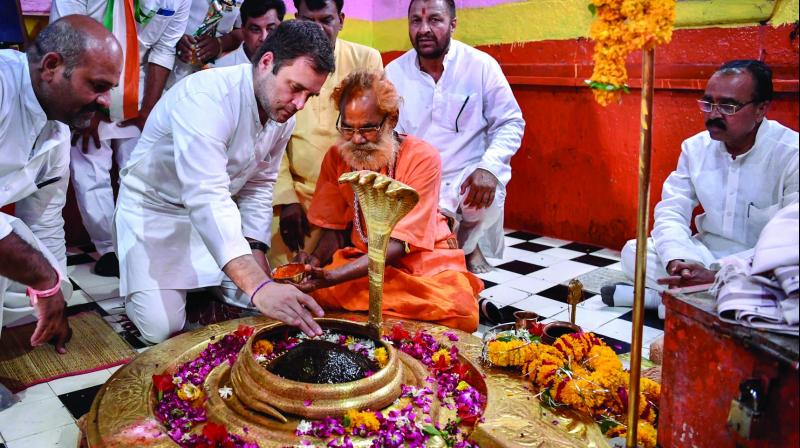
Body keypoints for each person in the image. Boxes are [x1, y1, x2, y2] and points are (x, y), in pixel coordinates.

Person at [114, 20, 334, 343]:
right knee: (161, 329)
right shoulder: (206, 98)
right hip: (155, 215)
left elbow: (259, 187)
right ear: (266, 62)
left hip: (213, 217)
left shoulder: (282, 113)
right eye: (295, 87)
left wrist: (257, 256)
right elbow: (207, 198)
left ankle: (204, 285)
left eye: (310, 96)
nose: (300, 104)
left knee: (261, 304)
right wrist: (258, 285)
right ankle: (149, 283)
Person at [603, 60, 799, 316]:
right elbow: (671, 211)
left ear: (761, 109)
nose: (714, 114)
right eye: (708, 103)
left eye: (728, 106)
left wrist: (719, 272)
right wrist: (679, 261)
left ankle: (662, 299)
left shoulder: (792, 153)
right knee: (635, 252)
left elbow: (791, 241)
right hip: (702, 255)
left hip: (759, 264)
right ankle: (702, 297)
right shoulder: (695, 149)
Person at [295, 70, 482, 332]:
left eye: (368, 128)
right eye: (347, 127)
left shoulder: (423, 157)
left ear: (391, 120)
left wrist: (334, 277)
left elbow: (400, 245)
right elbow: (334, 230)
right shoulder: (337, 156)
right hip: (361, 259)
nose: (357, 139)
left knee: (461, 314)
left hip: (422, 261)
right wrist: (313, 262)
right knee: (310, 299)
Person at [0, 16, 122, 353]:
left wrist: (56, 292)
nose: (106, 101)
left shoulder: (58, 126)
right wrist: (44, 280)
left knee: (42, 283)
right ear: (52, 66)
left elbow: (44, 219)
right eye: (98, 86)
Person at [50, 0, 191, 277]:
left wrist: (148, 110)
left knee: (140, 170)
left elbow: (163, 49)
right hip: (84, 78)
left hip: (140, 84)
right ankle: (109, 249)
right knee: (89, 164)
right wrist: (85, 106)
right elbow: (63, 41)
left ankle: (137, 243)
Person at [384, 0, 525, 274]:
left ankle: (468, 247)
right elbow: (384, 134)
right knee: (424, 265)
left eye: (435, 20)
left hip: (467, 176)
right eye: (416, 21)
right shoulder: (393, 73)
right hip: (416, 178)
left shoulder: (481, 66)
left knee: (480, 195)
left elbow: (510, 122)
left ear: (453, 24)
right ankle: (453, 252)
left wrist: (489, 168)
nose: (424, 29)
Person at [268, 0, 383, 268]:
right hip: (295, 193)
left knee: (338, 276)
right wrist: (286, 199)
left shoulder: (365, 60)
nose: (318, 31)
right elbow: (271, 138)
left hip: (348, 190)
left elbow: (375, 133)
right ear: (296, 20)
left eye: (326, 20)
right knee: (282, 271)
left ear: (341, 20)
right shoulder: (284, 65)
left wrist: (345, 202)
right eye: (309, 21)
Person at [166, 0, 246, 85]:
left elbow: (244, 30)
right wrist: (174, 36)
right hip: (166, 55)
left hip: (209, 72)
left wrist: (220, 43)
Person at [214, 0, 285, 68]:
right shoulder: (220, 70)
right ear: (243, 31)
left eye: (271, 29)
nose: (264, 38)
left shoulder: (291, 64)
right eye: (255, 30)